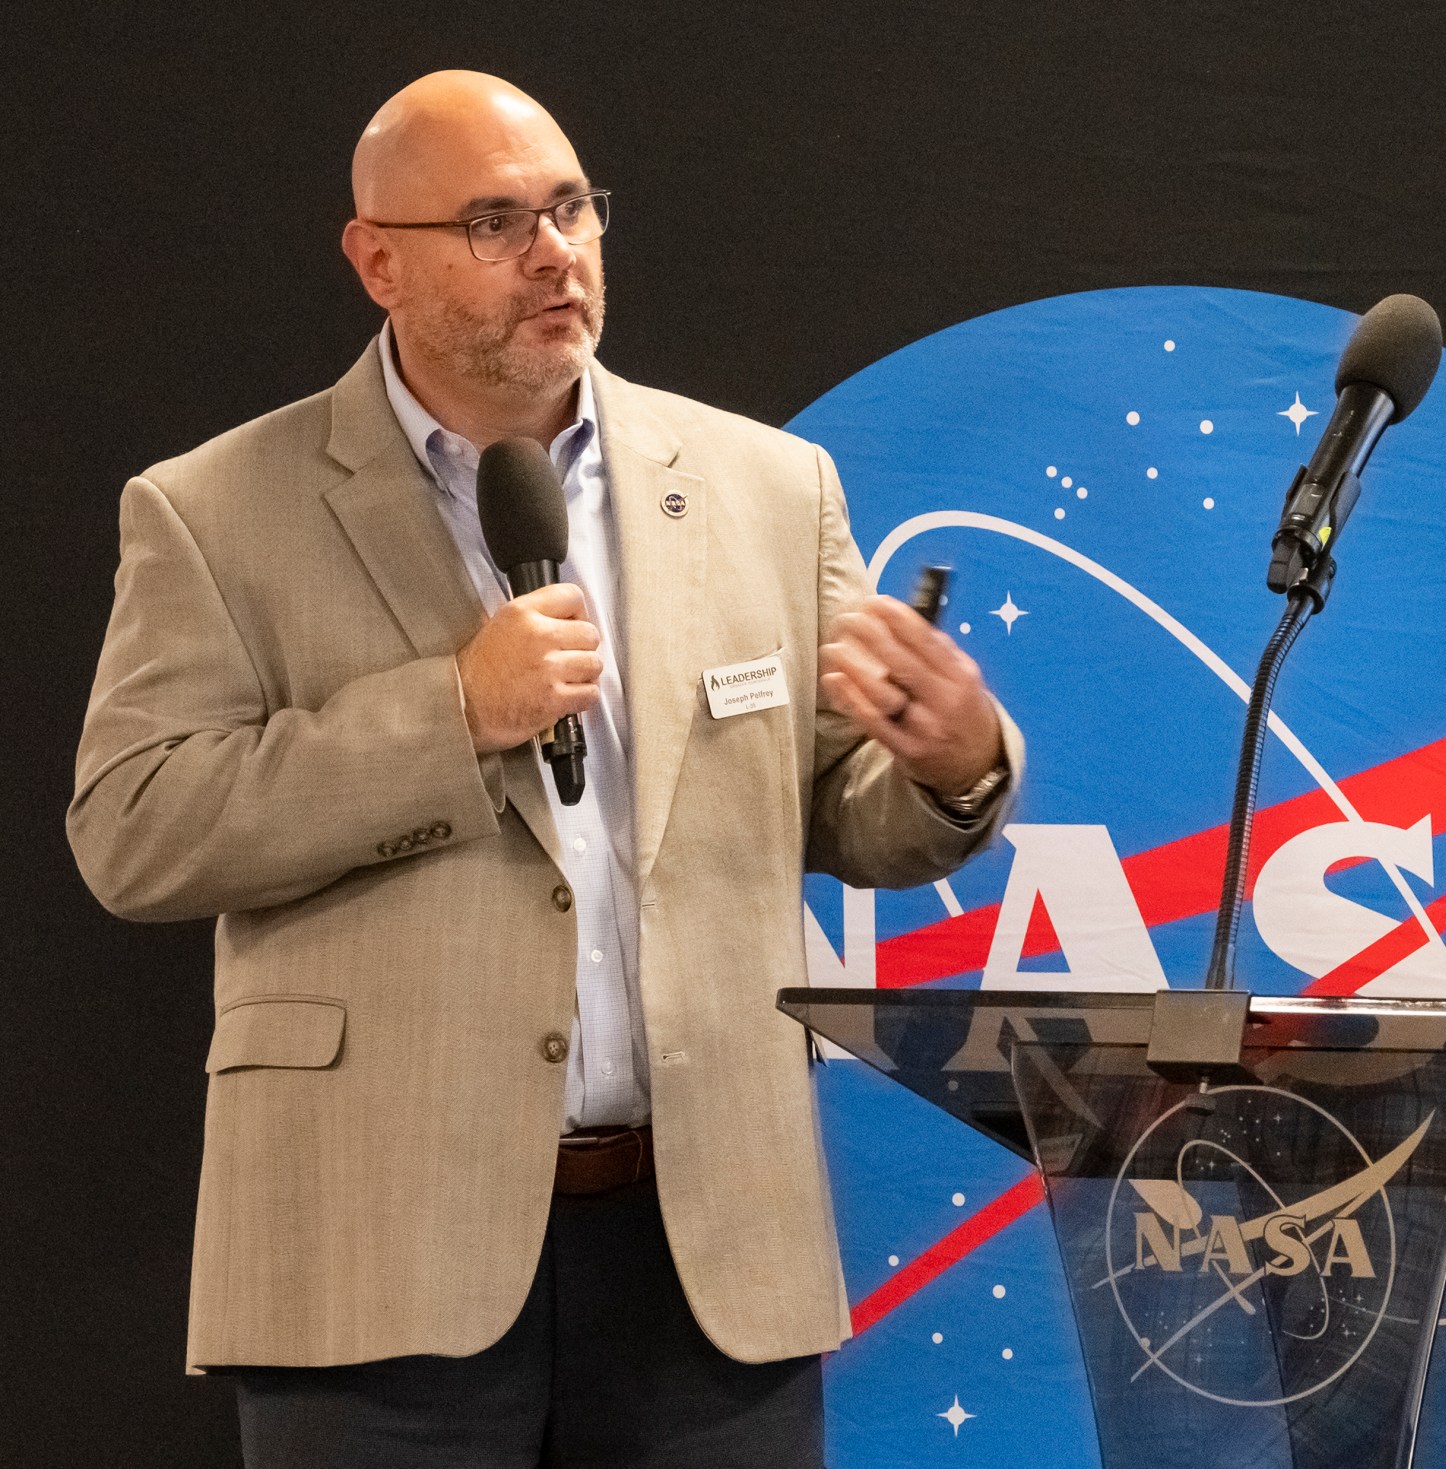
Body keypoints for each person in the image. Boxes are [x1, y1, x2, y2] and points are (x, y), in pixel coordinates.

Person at [66, 70, 1021, 1467]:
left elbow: (831, 805)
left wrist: (950, 768)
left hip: (704, 1262)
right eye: (497, 221)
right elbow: (135, 827)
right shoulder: (215, 509)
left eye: (573, 208)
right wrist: (448, 711)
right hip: (376, 1259)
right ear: (376, 259)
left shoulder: (767, 486)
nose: (556, 253)